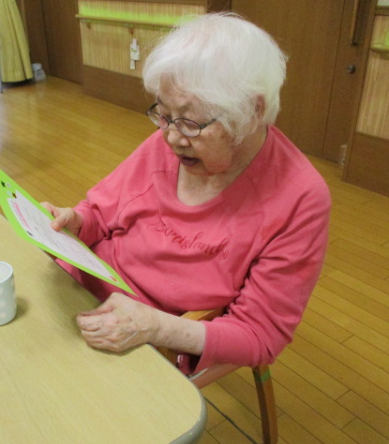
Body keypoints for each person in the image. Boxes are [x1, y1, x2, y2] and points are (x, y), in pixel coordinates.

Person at [42, 13, 331, 376]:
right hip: (80, 283)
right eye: (163, 115)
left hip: (148, 341)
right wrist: (76, 221)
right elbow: (99, 213)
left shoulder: (300, 199)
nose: (171, 137)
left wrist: (156, 326)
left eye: (191, 122)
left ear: (252, 111)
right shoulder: (170, 141)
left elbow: (261, 335)